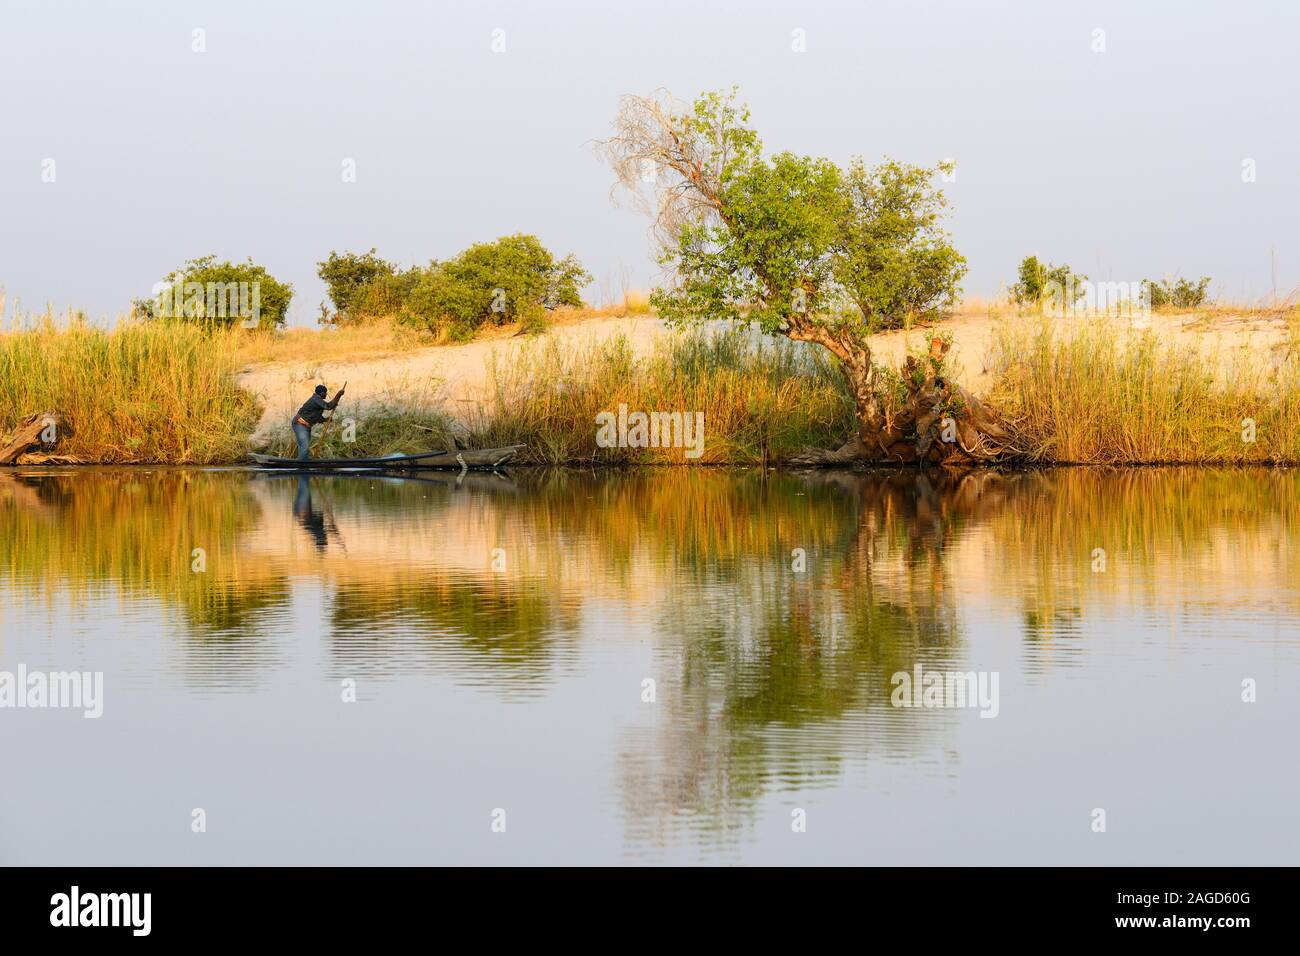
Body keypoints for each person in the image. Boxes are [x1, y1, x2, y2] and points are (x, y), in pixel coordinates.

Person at [292, 383, 345, 459]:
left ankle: (303, 464)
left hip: (305, 426)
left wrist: (326, 420)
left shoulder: (317, 401)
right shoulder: (316, 398)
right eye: (325, 392)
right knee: (305, 446)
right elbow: (328, 406)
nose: (326, 394)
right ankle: (301, 466)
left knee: (303, 447)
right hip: (300, 424)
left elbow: (317, 417)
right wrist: (338, 395)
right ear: (322, 393)